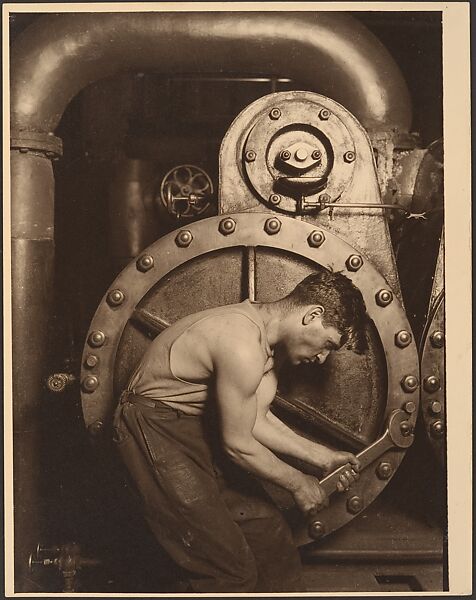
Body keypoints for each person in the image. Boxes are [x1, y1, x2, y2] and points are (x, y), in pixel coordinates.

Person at [113, 265, 368, 593]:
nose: (322, 358)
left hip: (190, 429)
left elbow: (255, 421)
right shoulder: (241, 342)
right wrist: (299, 483)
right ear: (312, 315)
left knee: (269, 536)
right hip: (152, 428)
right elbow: (236, 443)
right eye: (329, 344)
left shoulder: (265, 346)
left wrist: (325, 458)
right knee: (229, 570)